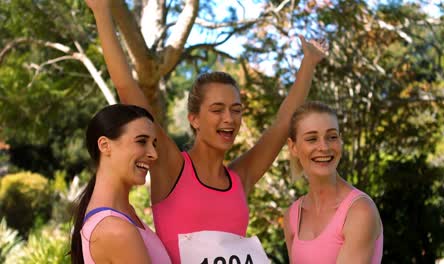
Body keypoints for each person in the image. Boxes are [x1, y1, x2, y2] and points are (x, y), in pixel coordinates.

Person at [85, 0, 327, 262]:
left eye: (236, 109)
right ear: (194, 119)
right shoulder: (172, 167)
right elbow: (126, 87)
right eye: (217, 109)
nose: (229, 119)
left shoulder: (240, 178)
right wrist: (101, 11)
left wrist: (309, 62)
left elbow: (282, 124)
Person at [283, 101, 383, 263]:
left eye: (332, 137)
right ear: (293, 147)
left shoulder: (360, 211)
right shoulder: (292, 216)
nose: (324, 147)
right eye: (312, 139)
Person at [70, 104, 171, 264]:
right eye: (141, 141)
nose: (154, 154)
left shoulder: (122, 217)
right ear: (105, 145)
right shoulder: (116, 230)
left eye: (154, 144)